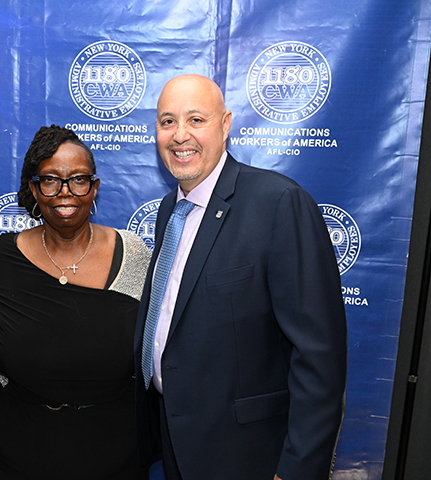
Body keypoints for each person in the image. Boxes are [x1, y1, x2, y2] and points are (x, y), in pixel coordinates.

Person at [134, 74, 347, 480]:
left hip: (250, 457)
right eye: (167, 122)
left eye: (196, 120)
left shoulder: (279, 203)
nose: (180, 135)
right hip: (179, 446)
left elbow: (319, 355)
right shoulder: (169, 211)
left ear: (226, 124)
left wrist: (296, 471)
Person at [0, 125, 151, 480]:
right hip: (13, 449)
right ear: (34, 189)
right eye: (51, 180)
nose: (65, 192)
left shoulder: (134, 254)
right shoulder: (0, 259)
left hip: (114, 451)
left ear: (94, 187)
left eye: (78, 180)